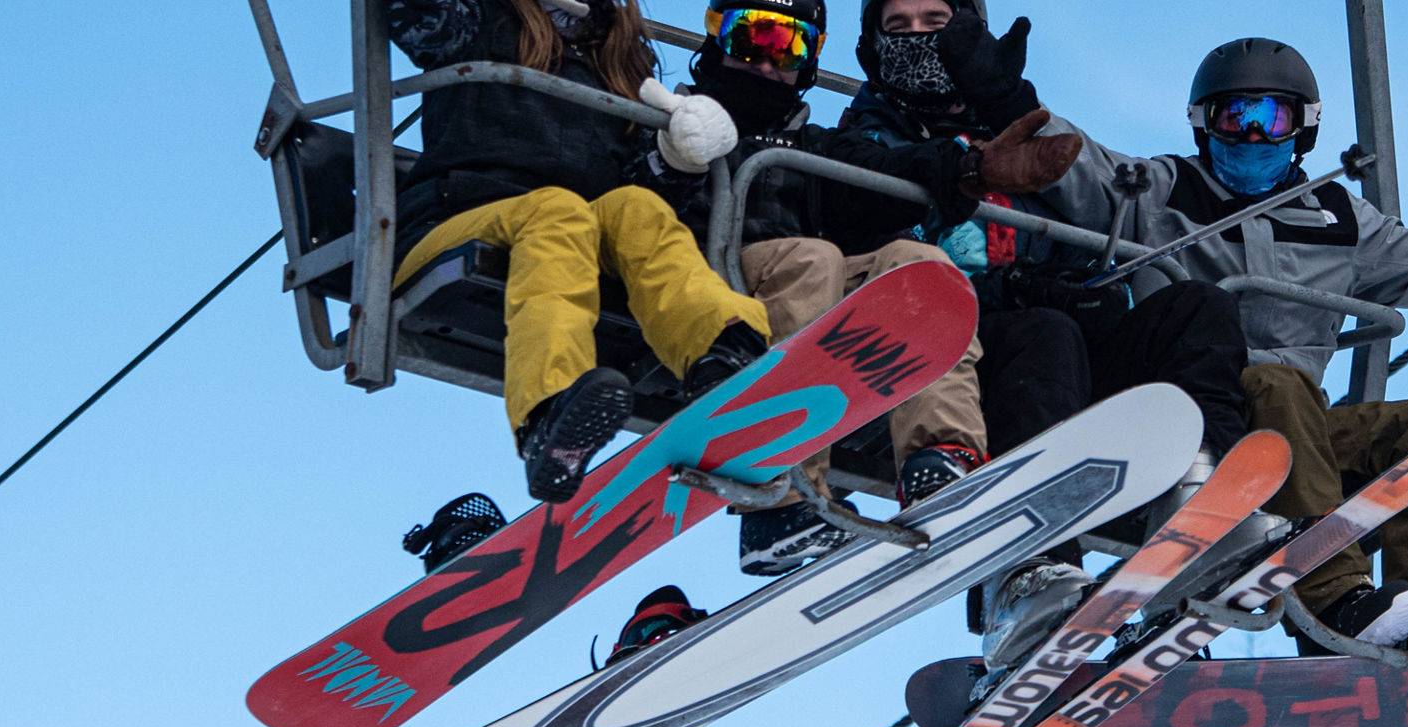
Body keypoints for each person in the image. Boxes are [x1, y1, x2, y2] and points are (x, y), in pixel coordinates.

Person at [1021, 37, 1408, 652]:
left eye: (1272, 116)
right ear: (1201, 124)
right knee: (1275, 383)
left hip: (1301, 437)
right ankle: (1332, 597)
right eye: (1232, 115)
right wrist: (999, 96)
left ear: (1304, 128)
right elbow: (1074, 166)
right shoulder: (1154, 190)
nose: (1251, 134)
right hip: (1189, 426)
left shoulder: (1340, 218)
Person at [840, 0, 1255, 671]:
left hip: (1057, 351)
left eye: (935, 20)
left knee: (1196, 308)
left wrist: (1089, 287)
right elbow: (887, 263)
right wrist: (1019, 291)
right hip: (956, 357)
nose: (919, 37)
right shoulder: (861, 144)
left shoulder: (1031, 140)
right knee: (1045, 334)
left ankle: (1199, 501)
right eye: (899, 27)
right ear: (872, 48)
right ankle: (1028, 570)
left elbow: (1089, 222)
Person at [632, 0, 1082, 576]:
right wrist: (673, 155)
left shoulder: (817, 146)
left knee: (916, 263)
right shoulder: (660, 116)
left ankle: (941, 461)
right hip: (695, 287)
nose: (769, 62)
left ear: (812, 59)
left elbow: (892, 176)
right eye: (754, 38)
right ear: (718, 39)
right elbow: (618, 194)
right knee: (812, 258)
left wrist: (971, 171)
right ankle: (783, 491)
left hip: (793, 292)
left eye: (789, 45)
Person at [386, 0, 773, 504]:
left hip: (570, 237)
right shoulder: (473, 20)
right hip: (454, 219)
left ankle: (725, 355)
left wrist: (675, 158)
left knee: (638, 209)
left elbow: (645, 196)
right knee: (556, 209)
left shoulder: (619, 59)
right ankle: (551, 413)